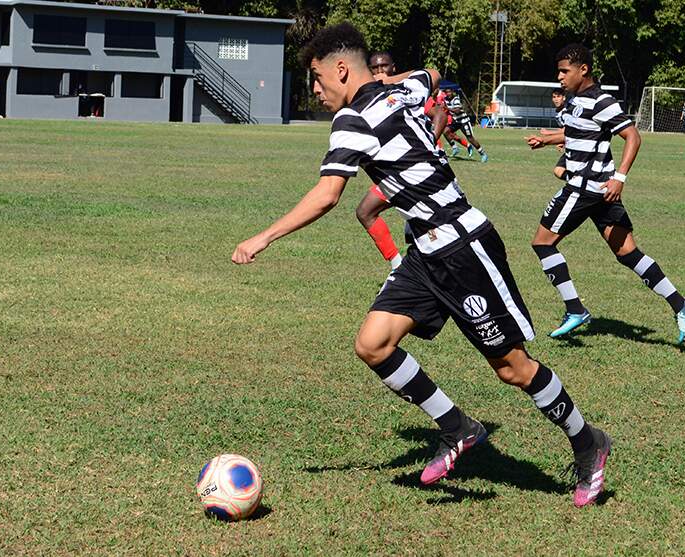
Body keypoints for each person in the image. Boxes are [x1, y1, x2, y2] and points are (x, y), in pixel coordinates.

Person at [233, 23, 612, 508]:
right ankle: (459, 428)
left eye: (317, 78)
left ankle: (588, 443)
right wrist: (395, 83)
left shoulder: (352, 120)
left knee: (512, 369)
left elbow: (328, 195)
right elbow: (431, 74)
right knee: (373, 344)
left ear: (341, 70)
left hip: (464, 248)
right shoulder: (402, 92)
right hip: (425, 256)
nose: (315, 89)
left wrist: (262, 237)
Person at [526, 44, 685, 345]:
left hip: (583, 188)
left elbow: (632, 136)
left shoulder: (602, 100)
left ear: (584, 69)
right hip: (601, 194)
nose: (560, 77)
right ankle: (681, 304)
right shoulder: (576, 100)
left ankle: (575, 309)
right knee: (628, 253)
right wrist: (548, 139)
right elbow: (578, 132)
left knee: (542, 244)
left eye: (565, 71)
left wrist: (620, 177)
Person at [356, 51, 448, 270]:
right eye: (375, 69)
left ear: (393, 68)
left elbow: (440, 116)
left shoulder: (402, 92)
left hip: (422, 169)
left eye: (384, 67)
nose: (380, 72)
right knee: (366, 212)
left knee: (429, 228)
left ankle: (411, 270)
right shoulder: (371, 98)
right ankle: (399, 266)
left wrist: (426, 144)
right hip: (399, 172)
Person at [443, 88, 488, 162]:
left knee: (470, 139)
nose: (448, 94)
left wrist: (447, 108)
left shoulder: (456, 99)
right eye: (447, 92)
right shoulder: (446, 100)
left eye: (450, 92)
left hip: (464, 121)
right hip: (456, 121)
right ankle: (455, 148)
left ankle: (483, 154)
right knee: (445, 131)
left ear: (452, 92)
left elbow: (457, 111)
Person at [551, 88, 568, 180]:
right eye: (554, 97)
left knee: (558, 170)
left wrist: (549, 133)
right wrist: (562, 142)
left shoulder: (566, 112)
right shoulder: (558, 112)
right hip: (570, 146)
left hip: (577, 147)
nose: (556, 99)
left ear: (564, 98)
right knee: (558, 171)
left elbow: (568, 130)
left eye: (558, 96)